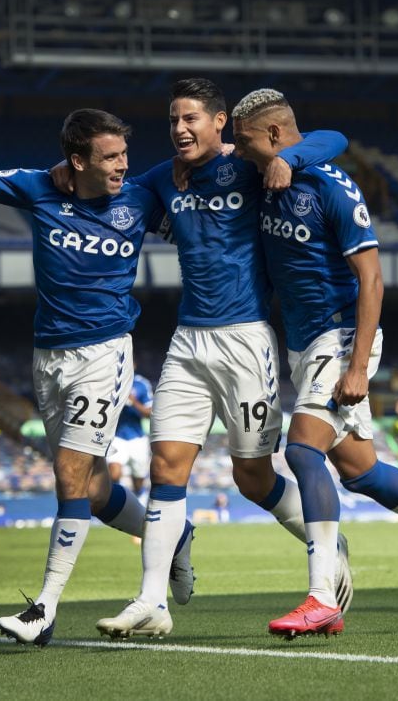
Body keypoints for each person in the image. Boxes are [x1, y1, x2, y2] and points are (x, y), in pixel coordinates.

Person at [0, 106, 194, 646]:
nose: (121, 166)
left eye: (124, 155)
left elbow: (198, 196)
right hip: (47, 357)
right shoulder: (37, 186)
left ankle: (43, 609)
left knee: (68, 476)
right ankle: (174, 536)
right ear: (77, 160)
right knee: (90, 490)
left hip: (104, 353)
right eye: (110, 157)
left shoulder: (139, 196)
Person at [91, 78, 353, 639]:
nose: (180, 130)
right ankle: (151, 602)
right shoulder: (163, 179)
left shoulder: (251, 168)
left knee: (253, 477)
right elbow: (113, 190)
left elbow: (334, 138)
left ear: (219, 122)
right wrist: (69, 177)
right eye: (172, 121)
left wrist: (290, 159)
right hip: (187, 341)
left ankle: (325, 542)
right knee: (166, 467)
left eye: (190, 119)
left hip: (246, 339)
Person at [231, 88, 398, 638]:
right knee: (360, 471)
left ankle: (322, 596)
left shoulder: (332, 188)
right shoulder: (261, 175)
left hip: (342, 338)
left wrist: (355, 367)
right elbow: (325, 138)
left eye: (245, 138)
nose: (237, 147)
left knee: (302, 449)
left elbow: (372, 279)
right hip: (300, 345)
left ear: (275, 136)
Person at [106, 364, 154, 498]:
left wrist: (133, 402)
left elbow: (150, 413)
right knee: (114, 474)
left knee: (138, 479)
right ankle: (121, 501)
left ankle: (139, 497)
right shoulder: (109, 381)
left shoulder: (141, 384)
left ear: (133, 363)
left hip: (136, 438)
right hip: (115, 436)